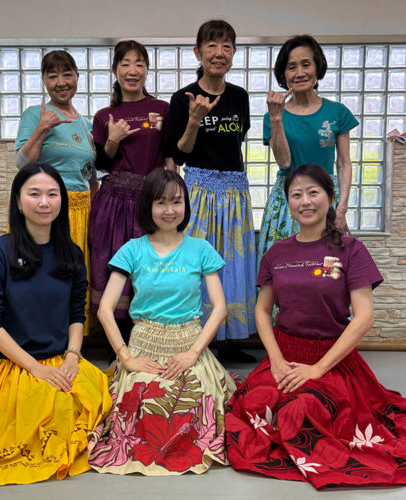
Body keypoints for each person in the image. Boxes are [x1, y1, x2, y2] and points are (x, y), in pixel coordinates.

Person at [226, 163, 406, 489]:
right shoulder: (276, 252)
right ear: (288, 202)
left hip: (332, 361)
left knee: (301, 411)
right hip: (285, 355)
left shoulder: (351, 250)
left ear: (330, 197)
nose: (305, 201)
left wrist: (318, 369)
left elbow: (364, 317)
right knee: (252, 407)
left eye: (313, 192)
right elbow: (262, 311)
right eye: (296, 195)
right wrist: (276, 360)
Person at [0, 163, 112, 489]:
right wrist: (35, 368)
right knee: (43, 416)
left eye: (52, 194)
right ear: (18, 200)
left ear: (62, 200)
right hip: (11, 366)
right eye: (34, 194)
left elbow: (76, 313)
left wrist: (72, 356)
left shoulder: (71, 253)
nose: (44, 202)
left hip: (60, 359)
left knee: (96, 401)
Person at [87, 168, 237, 475]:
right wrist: (126, 358)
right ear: (148, 206)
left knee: (196, 400)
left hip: (189, 344)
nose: (170, 210)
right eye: (161, 202)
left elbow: (220, 308)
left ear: (185, 205)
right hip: (144, 344)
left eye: (176, 201)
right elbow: (105, 309)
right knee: (140, 401)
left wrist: (192, 354)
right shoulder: (132, 249)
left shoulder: (201, 248)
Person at [168, 20, 257, 361]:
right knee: (197, 262)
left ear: (233, 52)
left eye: (227, 46)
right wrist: (194, 120)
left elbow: (238, 138)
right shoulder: (183, 98)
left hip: (234, 190)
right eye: (212, 45)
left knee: (233, 264)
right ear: (198, 52)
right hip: (199, 189)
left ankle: (228, 340)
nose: (219, 53)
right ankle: (194, 338)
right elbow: (179, 154)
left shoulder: (239, 97)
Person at [89, 40, 175, 347]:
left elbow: (170, 157)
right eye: (125, 63)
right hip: (113, 203)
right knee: (114, 266)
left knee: (151, 267)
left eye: (139, 63)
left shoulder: (162, 109)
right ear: (115, 70)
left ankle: (149, 339)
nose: (132, 70)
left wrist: (172, 197)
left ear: (147, 70)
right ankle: (118, 347)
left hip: (151, 199)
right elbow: (102, 164)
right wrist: (113, 139)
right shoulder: (104, 115)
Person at [15, 50, 96, 335]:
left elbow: (91, 175)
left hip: (81, 209)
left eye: (67, 74)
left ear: (77, 77)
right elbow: (22, 163)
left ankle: (72, 340)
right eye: (52, 76)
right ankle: (41, 337)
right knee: (45, 273)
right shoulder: (35, 114)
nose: (61, 82)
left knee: (73, 275)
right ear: (44, 81)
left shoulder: (87, 125)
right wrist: (42, 128)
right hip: (47, 209)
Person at [258, 35, 359, 259]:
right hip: (288, 198)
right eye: (291, 67)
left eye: (306, 64)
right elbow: (284, 162)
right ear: (283, 74)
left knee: (327, 264)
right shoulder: (272, 116)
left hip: (324, 196)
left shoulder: (337, 112)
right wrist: (276, 118)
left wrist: (341, 208)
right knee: (284, 264)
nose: (300, 73)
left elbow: (344, 164)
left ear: (317, 67)